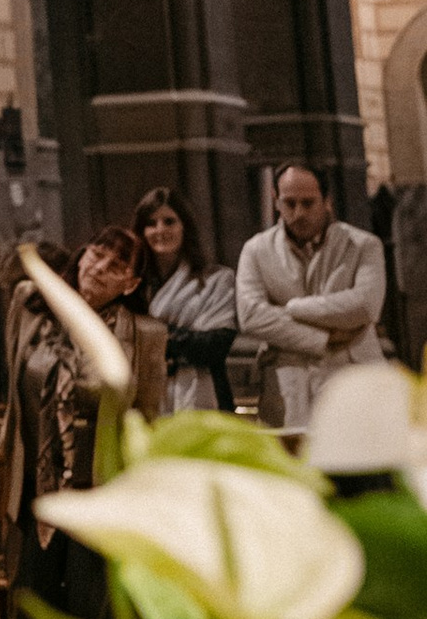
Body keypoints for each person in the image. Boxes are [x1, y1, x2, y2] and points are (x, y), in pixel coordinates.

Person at [1, 231, 164, 616]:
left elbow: (147, 418)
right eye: (97, 254)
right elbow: (14, 387)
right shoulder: (31, 306)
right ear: (82, 254)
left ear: (132, 284)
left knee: (88, 606)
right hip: (36, 483)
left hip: (99, 484)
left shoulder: (145, 334)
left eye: (117, 266)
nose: (100, 268)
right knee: (29, 604)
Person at [236, 163, 389, 426]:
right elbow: (251, 316)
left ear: (327, 201)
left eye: (308, 203)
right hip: (287, 386)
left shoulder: (363, 245)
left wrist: (294, 307)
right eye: (290, 203)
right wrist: (323, 338)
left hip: (352, 378)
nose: (298, 213)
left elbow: (365, 306)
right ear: (275, 200)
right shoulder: (256, 250)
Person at [130, 186, 237, 412]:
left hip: (207, 398)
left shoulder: (217, 279)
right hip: (148, 399)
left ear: (185, 226)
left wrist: (150, 337)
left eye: (169, 221)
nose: (160, 230)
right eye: (151, 223)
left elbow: (213, 347)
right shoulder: (133, 285)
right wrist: (183, 339)